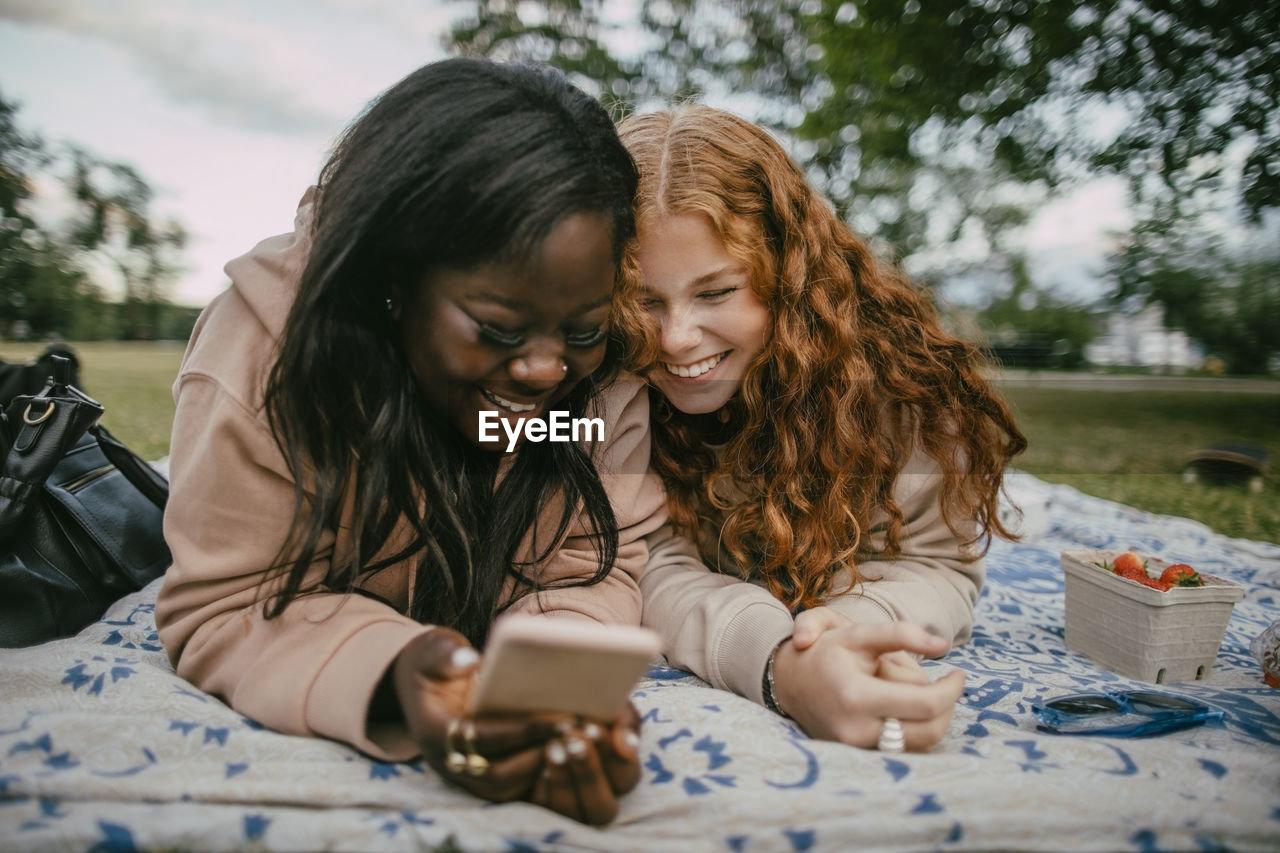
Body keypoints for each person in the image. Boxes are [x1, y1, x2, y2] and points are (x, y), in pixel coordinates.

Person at [156, 58, 668, 826]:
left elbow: (590, 567)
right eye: (497, 327)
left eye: (582, 329)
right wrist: (404, 672)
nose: (544, 368)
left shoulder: (596, 390)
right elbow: (229, 602)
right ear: (395, 279)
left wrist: (548, 690)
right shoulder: (268, 350)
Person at [613, 105, 1027, 752]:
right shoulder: (601, 386)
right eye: (642, 300)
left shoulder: (895, 383)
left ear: (788, 269)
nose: (676, 338)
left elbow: (938, 564)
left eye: (717, 291)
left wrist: (843, 636)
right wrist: (777, 660)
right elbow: (641, 563)